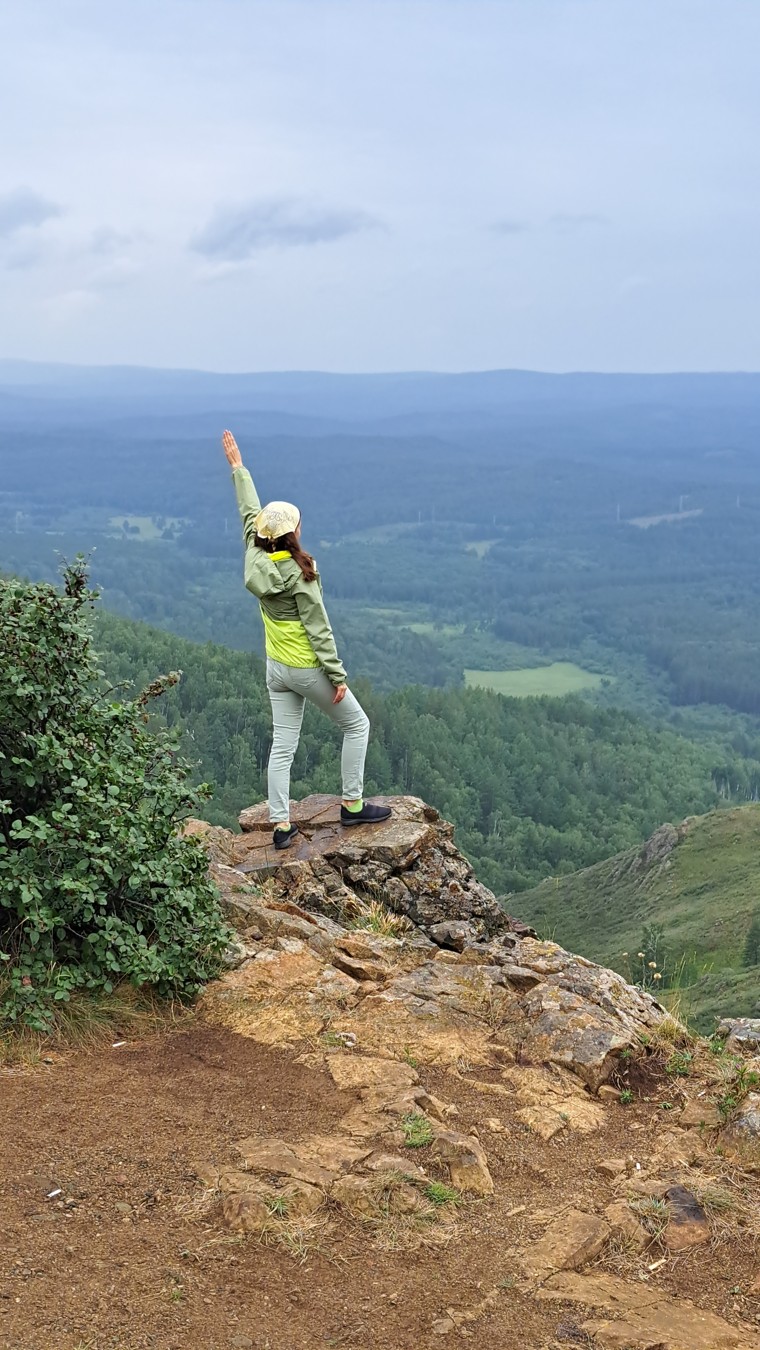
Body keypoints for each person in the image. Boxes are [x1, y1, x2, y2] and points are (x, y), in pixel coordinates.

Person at [221, 429, 392, 849]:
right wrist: (337, 677)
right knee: (357, 725)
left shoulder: (255, 556)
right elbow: (319, 630)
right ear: (294, 533)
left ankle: (281, 828)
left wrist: (238, 469)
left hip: (275, 668)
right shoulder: (302, 572)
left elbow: (249, 515)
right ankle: (352, 807)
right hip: (305, 667)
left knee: (282, 747)